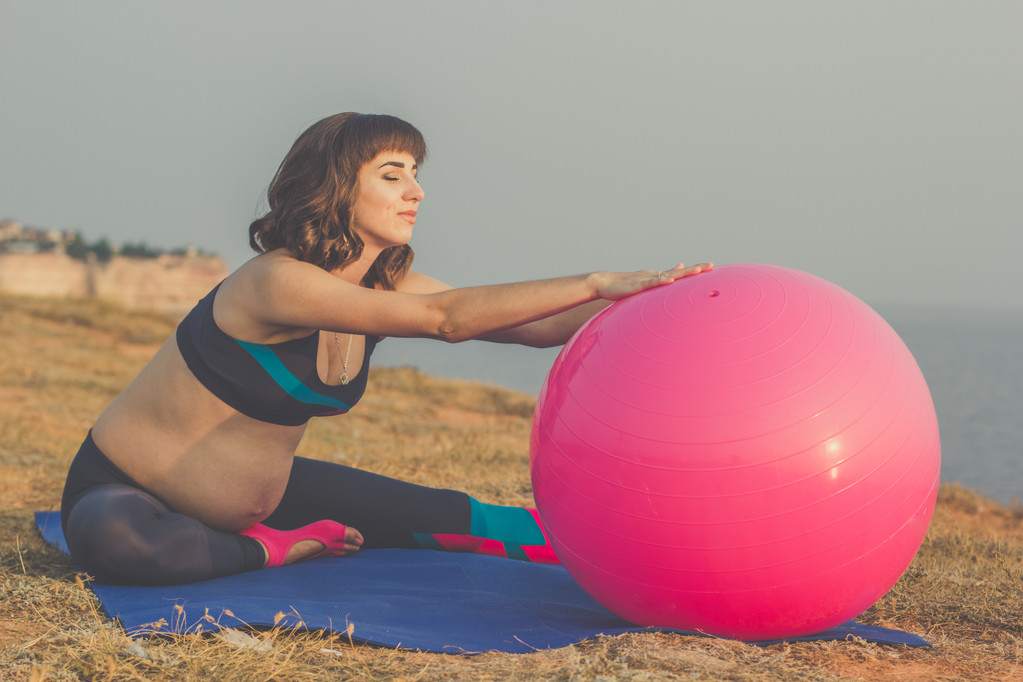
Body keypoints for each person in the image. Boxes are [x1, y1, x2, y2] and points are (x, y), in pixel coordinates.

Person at [59, 112, 712, 586]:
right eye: (393, 174)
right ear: (337, 185)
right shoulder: (275, 282)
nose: (416, 192)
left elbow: (534, 327)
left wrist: (659, 299)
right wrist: (596, 279)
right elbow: (445, 320)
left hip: (272, 492)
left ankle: (685, 560)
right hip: (131, 491)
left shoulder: (382, 285)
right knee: (120, 544)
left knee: (483, 522)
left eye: (416, 175)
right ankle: (268, 551)